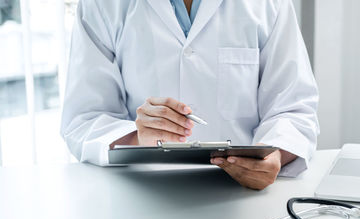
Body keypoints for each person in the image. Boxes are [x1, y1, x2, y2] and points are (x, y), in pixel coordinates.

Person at [61, 0, 319, 190]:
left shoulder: (268, 4)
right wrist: (138, 137)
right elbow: (84, 118)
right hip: (140, 193)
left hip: (240, 195)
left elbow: (293, 108)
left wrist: (271, 157)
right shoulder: (102, 5)